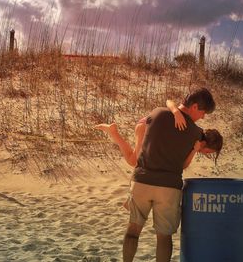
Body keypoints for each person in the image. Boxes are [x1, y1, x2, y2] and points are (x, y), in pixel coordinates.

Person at [95, 88, 222, 262]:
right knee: (164, 237)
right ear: (194, 107)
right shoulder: (197, 134)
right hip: (169, 188)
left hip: (141, 182)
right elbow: (184, 165)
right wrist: (194, 149)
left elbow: (160, 113)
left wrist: (174, 110)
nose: (203, 117)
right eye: (203, 112)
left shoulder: (156, 113)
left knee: (133, 231)